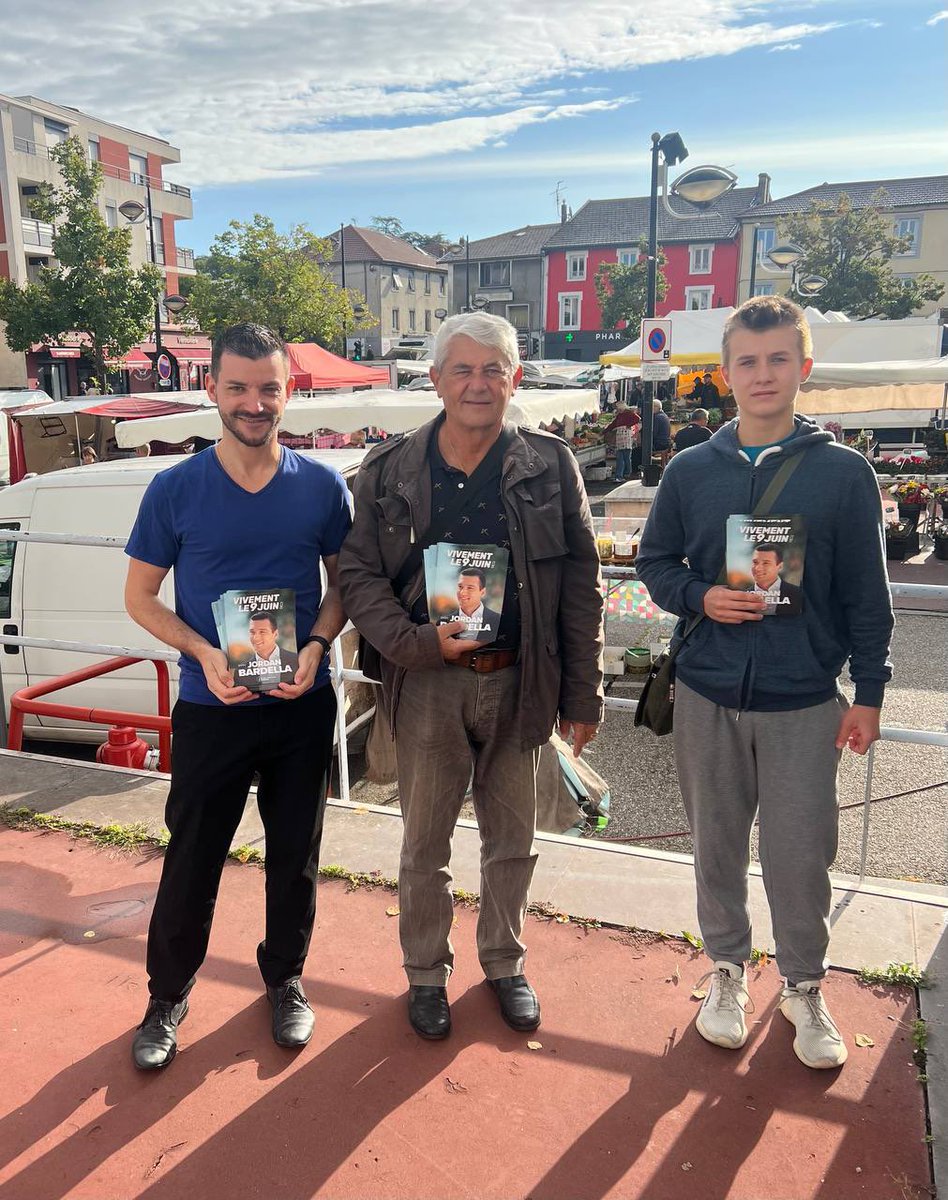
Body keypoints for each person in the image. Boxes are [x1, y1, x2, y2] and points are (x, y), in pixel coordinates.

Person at [636, 295, 893, 1071]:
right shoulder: (690, 469)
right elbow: (655, 564)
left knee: (799, 855)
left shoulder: (845, 474)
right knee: (715, 847)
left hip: (804, 700)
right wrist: (701, 596)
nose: (763, 374)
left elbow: (866, 597)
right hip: (710, 692)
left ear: (804, 368)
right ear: (724, 374)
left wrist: (871, 692)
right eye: (748, 361)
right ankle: (724, 971)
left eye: (779, 358)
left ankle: (804, 984)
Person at [338, 312, 603, 1041]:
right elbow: (357, 573)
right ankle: (426, 973)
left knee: (511, 840)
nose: (479, 383)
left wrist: (585, 691)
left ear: (517, 378)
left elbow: (582, 582)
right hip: (427, 684)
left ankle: (504, 963)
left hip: (521, 682)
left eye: (495, 369)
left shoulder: (550, 464)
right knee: (424, 843)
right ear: (437, 379)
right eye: (464, 369)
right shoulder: (390, 468)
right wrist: (414, 643)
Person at [123, 322, 351, 1070]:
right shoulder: (175, 488)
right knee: (192, 857)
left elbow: (344, 585)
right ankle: (167, 994)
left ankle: (285, 978)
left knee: (296, 856)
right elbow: (141, 597)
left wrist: (316, 649)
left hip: (299, 706)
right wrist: (199, 650)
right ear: (213, 390)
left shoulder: (322, 486)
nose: (255, 403)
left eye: (269, 388)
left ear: (290, 391)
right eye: (239, 388)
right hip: (209, 707)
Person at [234, 610, 302, 689]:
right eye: (252, 632)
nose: (256, 638)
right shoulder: (240, 672)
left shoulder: (296, 661)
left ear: (275, 634)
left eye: (262, 632)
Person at [749, 542, 803, 616]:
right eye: (755, 562)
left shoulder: (798, 593)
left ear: (780, 566)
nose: (758, 568)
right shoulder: (741, 597)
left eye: (766, 563)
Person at [450, 567, 501, 644]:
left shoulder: (498, 621)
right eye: (460, 587)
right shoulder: (444, 622)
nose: (462, 593)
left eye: (470, 588)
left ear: (483, 592)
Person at [603, 400, 641, 482]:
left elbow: (637, 419)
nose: (618, 410)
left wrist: (629, 425)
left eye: (619, 408)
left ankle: (626, 474)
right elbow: (613, 424)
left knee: (626, 457)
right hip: (620, 437)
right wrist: (605, 431)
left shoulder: (629, 413)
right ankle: (620, 475)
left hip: (626, 437)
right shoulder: (619, 415)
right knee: (621, 457)